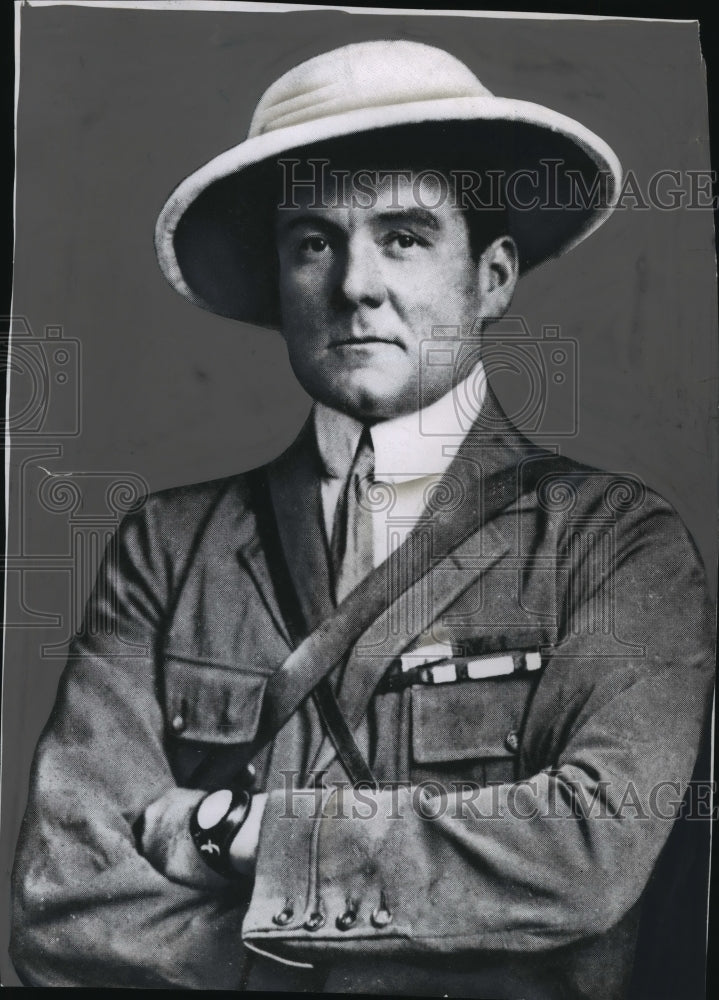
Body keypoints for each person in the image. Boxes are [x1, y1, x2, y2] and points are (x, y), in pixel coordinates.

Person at [10, 40, 713, 997]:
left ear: (492, 277)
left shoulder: (615, 543)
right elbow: (66, 904)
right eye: (313, 242)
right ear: (278, 283)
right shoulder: (167, 550)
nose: (353, 285)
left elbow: (586, 855)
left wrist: (231, 830)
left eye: (405, 237)